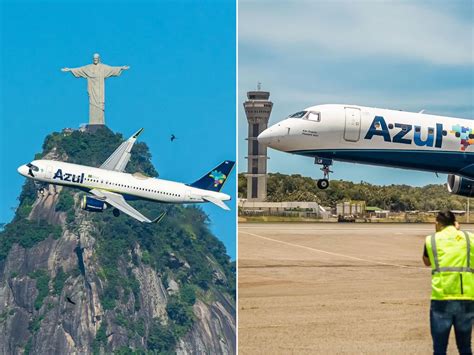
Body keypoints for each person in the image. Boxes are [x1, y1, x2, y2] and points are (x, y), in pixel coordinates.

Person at [423, 210, 474, 355]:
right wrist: (458, 233)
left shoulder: (431, 240)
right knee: (465, 347)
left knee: (439, 348)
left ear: (437, 224)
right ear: (455, 223)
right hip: (466, 298)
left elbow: (426, 261)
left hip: (441, 298)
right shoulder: (469, 238)